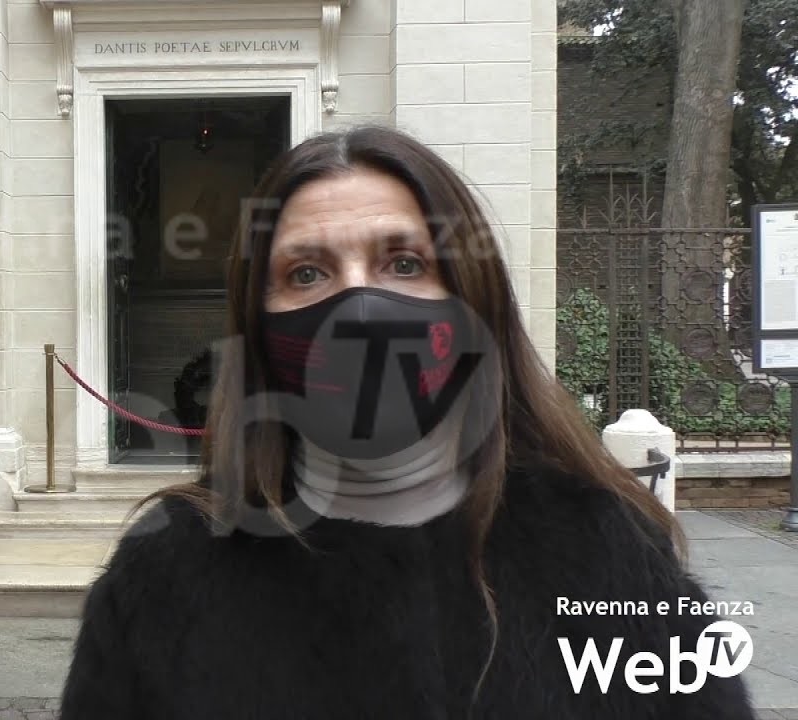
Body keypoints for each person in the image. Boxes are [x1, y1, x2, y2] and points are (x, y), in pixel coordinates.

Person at [58, 125, 756, 719]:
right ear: (258, 327)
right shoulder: (165, 574)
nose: (359, 308)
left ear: (472, 298)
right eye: (306, 273)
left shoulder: (606, 549)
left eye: (403, 262)